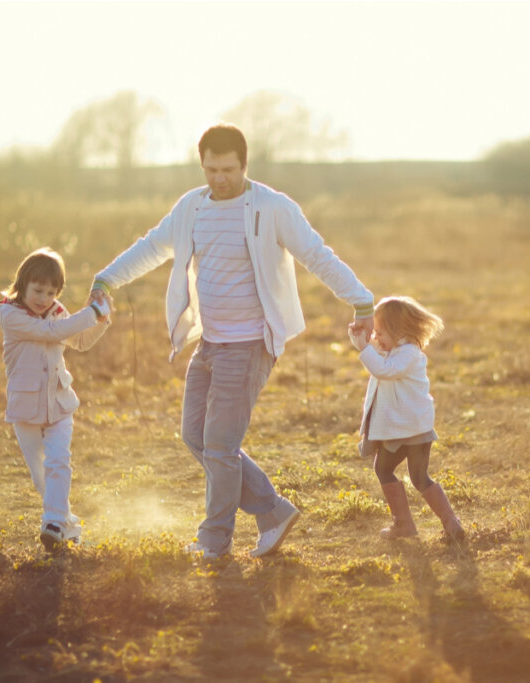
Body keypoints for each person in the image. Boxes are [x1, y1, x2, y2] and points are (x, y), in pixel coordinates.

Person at [89, 123, 374, 560]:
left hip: (249, 343)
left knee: (220, 447)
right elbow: (150, 247)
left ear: (244, 165)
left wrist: (361, 301)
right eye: (210, 169)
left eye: (227, 169)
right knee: (195, 437)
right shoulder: (191, 208)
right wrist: (107, 279)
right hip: (210, 343)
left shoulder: (271, 207)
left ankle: (214, 541)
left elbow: (315, 253)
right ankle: (273, 511)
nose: (219, 178)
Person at [0, 247, 113, 552]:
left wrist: (102, 319)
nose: (44, 298)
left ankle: (52, 524)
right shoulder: (11, 316)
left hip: (59, 404)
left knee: (59, 462)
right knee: (41, 475)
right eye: (38, 290)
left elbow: (80, 341)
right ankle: (69, 526)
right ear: (22, 285)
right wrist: (91, 314)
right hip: (25, 408)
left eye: (51, 291)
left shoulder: (57, 312)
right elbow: (53, 332)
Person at [348, 296, 464, 542]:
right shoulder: (396, 349)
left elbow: (383, 369)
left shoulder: (409, 354)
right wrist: (362, 337)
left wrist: (365, 348)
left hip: (406, 430)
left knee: (390, 470)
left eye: (380, 333)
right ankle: (445, 523)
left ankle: (418, 524)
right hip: (414, 428)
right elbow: (376, 352)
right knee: (417, 477)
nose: (376, 338)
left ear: (398, 331)